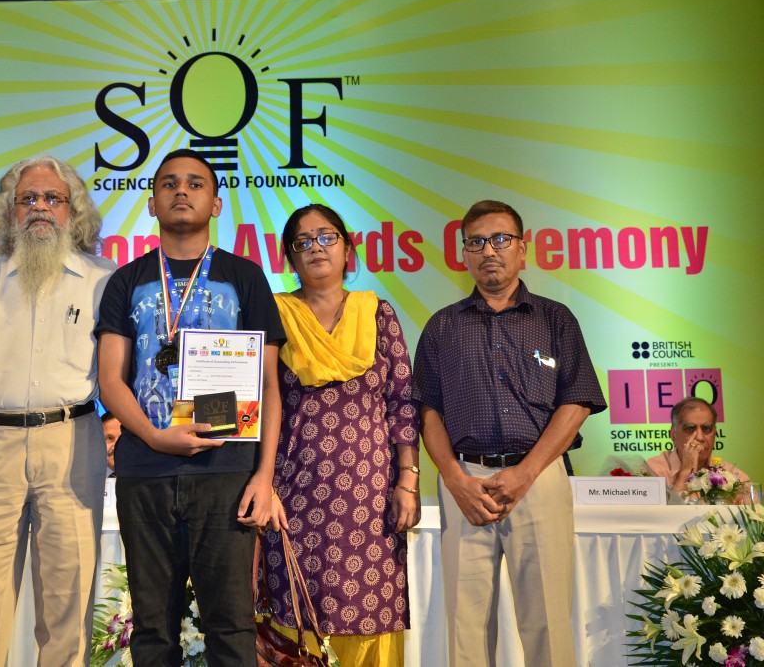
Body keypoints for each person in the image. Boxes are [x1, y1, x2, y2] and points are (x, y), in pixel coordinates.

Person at [96, 148, 285, 666]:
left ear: (217, 204)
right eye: (169, 183)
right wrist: (155, 436)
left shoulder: (244, 277)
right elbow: (110, 381)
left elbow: (269, 386)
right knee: (152, 629)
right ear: (152, 203)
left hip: (227, 471)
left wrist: (263, 476)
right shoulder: (126, 281)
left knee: (231, 626)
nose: (182, 191)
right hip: (145, 470)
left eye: (196, 183)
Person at [0, 156, 115, 667]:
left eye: (53, 198)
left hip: (73, 444)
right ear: (9, 212)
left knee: (68, 611)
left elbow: (122, 372)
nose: (40, 207)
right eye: (27, 198)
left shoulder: (104, 279)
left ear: (73, 212)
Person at [412, 200, 605, 667]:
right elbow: (427, 410)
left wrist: (526, 472)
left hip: (538, 479)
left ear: (523, 249)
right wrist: (454, 479)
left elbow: (577, 401)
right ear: (463, 254)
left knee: (548, 626)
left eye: (500, 239)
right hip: (466, 485)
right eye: (476, 242)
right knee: (465, 630)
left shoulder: (555, 319)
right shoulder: (442, 326)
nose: (489, 251)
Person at [263, 204, 421, 666]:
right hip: (293, 494)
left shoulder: (377, 313)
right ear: (289, 257)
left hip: (371, 498)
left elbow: (402, 402)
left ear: (348, 248)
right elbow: (257, 403)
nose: (316, 248)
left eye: (326, 237)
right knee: (296, 611)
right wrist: (263, 484)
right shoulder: (276, 314)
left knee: (370, 608)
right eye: (303, 241)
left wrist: (408, 481)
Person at [645, 396, 748, 494]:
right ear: (673, 435)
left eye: (707, 429)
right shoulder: (651, 472)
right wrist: (686, 471)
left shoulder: (735, 478)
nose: (700, 437)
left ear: (714, 433)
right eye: (690, 429)